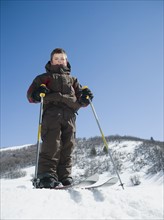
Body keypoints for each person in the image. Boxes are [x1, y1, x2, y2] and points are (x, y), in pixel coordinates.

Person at [27, 48, 93, 188]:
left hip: (70, 115)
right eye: (56, 59)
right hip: (52, 114)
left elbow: (81, 99)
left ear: (66, 61)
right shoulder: (43, 78)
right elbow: (30, 95)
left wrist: (86, 97)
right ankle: (46, 176)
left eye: (62, 59)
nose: (59, 62)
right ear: (51, 61)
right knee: (52, 144)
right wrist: (37, 93)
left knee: (68, 145)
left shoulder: (73, 80)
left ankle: (64, 176)